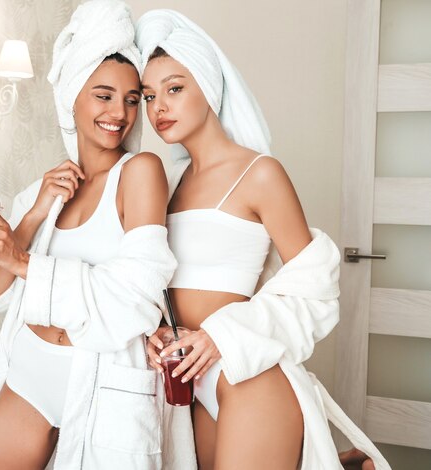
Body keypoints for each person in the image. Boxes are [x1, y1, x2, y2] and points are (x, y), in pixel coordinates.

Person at [135, 9, 389, 470]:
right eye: (150, 95)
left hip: (248, 381)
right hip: (192, 388)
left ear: (209, 88)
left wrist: (220, 335)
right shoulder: (166, 184)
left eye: (174, 88)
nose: (159, 108)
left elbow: (315, 289)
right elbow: (154, 278)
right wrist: (153, 331)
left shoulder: (260, 174)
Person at [0, 1, 193, 468]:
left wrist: (20, 261)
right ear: (72, 97)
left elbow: (138, 294)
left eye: (131, 99)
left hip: (102, 379)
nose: (120, 113)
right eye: (103, 95)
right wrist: (33, 217)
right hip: (29, 371)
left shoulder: (141, 172)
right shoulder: (41, 192)